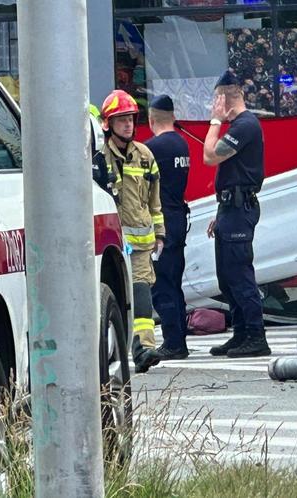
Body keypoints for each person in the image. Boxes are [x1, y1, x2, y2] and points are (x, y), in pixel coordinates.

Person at [203, 71, 271, 358]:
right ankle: (241, 333)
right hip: (230, 207)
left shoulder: (244, 125)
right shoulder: (241, 126)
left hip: (240, 208)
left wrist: (215, 122)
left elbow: (210, 156)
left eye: (216, 100)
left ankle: (256, 336)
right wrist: (221, 211)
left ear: (224, 99)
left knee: (240, 274)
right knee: (226, 276)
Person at [100, 89, 165, 373]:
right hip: (112, 244)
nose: (127, 124)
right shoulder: (99, 158)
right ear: (108, 124)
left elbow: (154, 200)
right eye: (121, 120)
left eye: (130, 119)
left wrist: (160, 233)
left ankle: (144, 348)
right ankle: (118, 349)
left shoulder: (145, 156)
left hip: (140, 243)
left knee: (141, 293)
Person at [145, 95, 191, 360]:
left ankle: (173, 343)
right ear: (172, 117)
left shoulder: (153, 148)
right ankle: (179, 338)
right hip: (178, 217)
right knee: (175, 282)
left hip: (161, 221)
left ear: (151, 120)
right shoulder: (182, 144)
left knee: (161, 283)